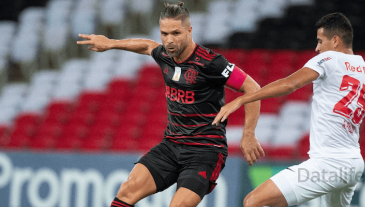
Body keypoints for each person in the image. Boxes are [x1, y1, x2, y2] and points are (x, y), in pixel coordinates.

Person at [77, 2, 264, 207]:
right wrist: (111, 43)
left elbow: (252, 87)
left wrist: (248, 133)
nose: (169, 40)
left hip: (205, 151)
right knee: (127, 191)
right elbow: (148, 45)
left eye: (176, 33)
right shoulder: (165, 55)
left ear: (189, 30)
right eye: (164, 34)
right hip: (171, 145)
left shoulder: (211, 62)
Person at [212, 12, 365, 207]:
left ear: (335, 41)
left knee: (253, 201)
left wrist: (242, 99)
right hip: (353, 165)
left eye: (320, 41)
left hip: (329, 164)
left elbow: (290, 84)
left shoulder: (330, 59)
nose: (317, 48)